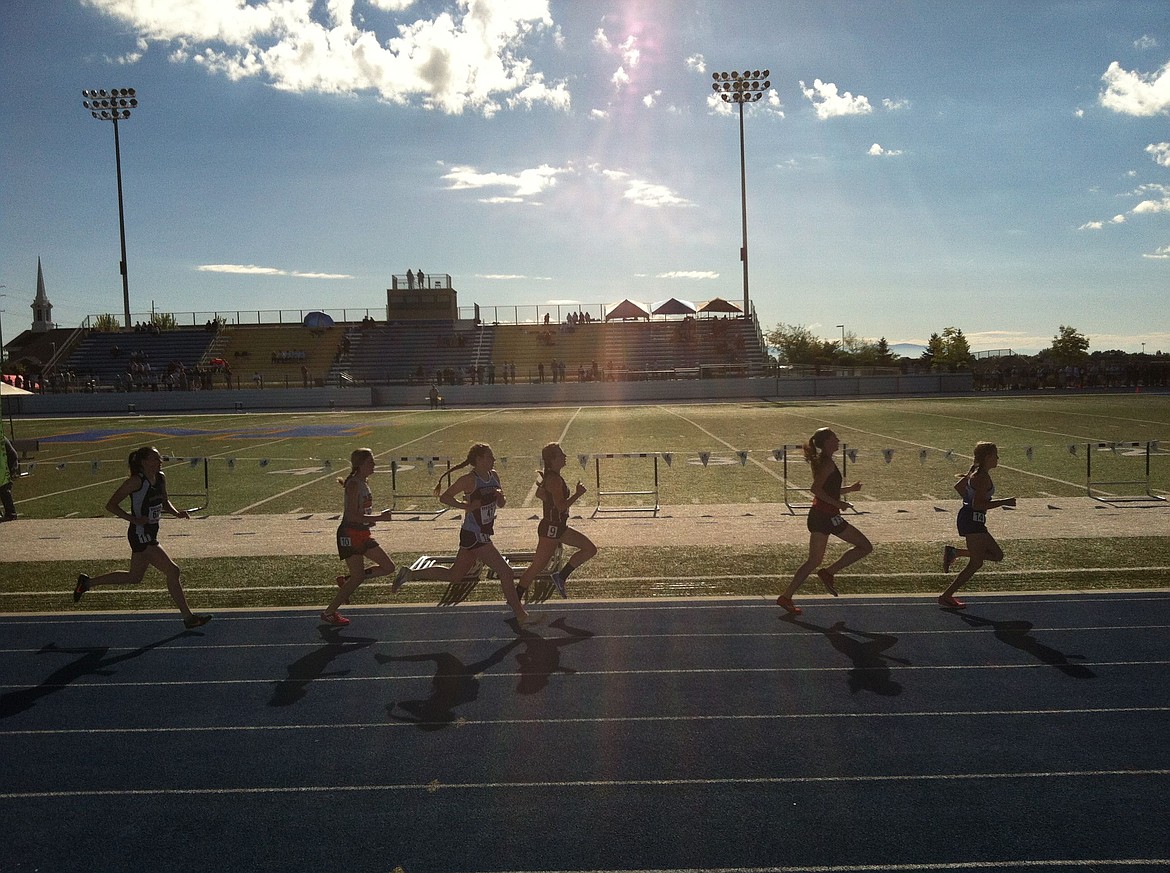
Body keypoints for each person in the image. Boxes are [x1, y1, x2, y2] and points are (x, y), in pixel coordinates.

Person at [72, 446, 212, 629]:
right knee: (173, 570)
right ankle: (188, 618)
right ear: (144, 462)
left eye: (160, 458)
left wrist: (176, 512)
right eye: (155, 458)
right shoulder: (136, 482)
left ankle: (87, 583)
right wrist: (134, 519)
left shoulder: (161, 477)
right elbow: (111, 505)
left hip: (151, 531)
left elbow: (164, 500)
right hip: (140, 534)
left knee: (134, 577)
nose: (159, 461)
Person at [395, 443, 530, 624]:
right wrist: (466, 506)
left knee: (455, 575)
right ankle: (521, 614)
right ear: (479, 459)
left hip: (480, 533)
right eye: (490, 456)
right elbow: (445, 497)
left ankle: (410, 574)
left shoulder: (494, 476)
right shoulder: (470, 480)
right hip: (474, 534)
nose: (494, 460)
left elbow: (501, 504)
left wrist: (500, 497)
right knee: (506, 572)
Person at [776, 427, 872, 615]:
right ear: (827, 442)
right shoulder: (827, 463)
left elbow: (828, 489)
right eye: (835, 437)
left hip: (824, 515)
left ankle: (787, 596)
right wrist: (839, 503)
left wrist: (849, 490)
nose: (838, 440)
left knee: (814, 560)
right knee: (865, 546)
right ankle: (828, 573)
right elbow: (816, 489)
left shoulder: (825, 461)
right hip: (825, 516)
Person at [321, 448, 406, 626]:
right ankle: (329, 612)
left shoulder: (362, 481)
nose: (374, 465)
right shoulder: (353, 484)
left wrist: (370, 520)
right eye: (370, 462)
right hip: (350, 533)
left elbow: (360, 512)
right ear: (360, 465)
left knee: (388, 567)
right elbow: (351, 516)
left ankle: (346, 580)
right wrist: (379, 518)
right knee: (358, 577)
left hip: (362, 532)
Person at [515, 443, 597, 601]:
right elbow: (561, 507)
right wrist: (578, 494)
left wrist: (549, 498)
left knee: (589, 549)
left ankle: (560, 577)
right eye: (561, 454)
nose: (565, 456)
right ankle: (515, 596)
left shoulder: (552, 477)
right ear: (553, 459)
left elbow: (540, 494)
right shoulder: (554, 479)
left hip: (558, 527)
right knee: (537, 567)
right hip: (552, 529)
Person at [940, 441, 1016, 609]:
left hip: (973, 518)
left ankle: (956, 552)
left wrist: (969, 491)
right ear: (988, 457)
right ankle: (946, 596)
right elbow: (978, 505)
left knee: (997, 555)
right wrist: (1005, 501)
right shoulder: (981, 477)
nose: (998, 458)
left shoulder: (976, 472)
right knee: (976, 563)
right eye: (996, 455)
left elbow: (959, 488)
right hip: (972, 518)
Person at [1, 435, 19, 520]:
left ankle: (11, 514)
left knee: (4, 491)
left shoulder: (2, 440)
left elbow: (13, 455)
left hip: (5, 470)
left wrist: (12, 470)